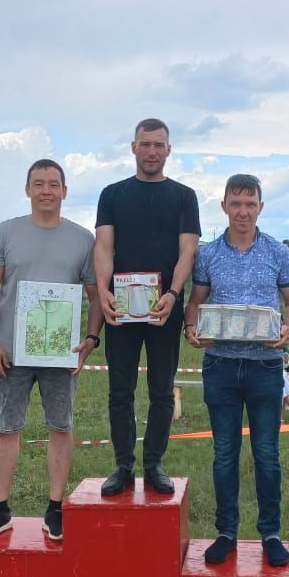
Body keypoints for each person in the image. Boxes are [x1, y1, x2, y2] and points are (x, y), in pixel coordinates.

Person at [0, 159, 103, 543]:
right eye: (39, 183)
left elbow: (95, 295)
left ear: (65, 191)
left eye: (54, 184)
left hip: (60, 354)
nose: (46, 190)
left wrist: (91, 339)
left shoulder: (82, 240)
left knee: (60, 427)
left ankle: (55, 507)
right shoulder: (4, 234)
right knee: (6, 427)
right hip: (11, 354)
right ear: (27, 189)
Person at [184, 174, 289, 568]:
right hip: (220, 365)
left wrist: (287, 330)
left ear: (261, 207)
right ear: (223, 206)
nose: (243, 212)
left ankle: (270, 532)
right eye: (235, 204)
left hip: (265, 366)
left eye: (250, 204)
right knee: (224, 454)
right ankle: (226, 532)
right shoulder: (208, 254)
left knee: (267, 454)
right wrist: (190, 327)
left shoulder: (278, 252)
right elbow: (197, 301)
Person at [94, 119, 201, 495]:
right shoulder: (112, 194)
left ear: (168, 150)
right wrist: (104, 290)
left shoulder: (184, 197)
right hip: (120, 309)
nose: (152, 151)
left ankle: (154, 463)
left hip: (163, 309)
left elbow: (188, 250)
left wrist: (173, 293)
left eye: (159, 144)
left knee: (161, 390)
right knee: (119, 391)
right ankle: (123, 466)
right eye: (145, 144)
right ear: (133, 148)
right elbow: (104, 246)